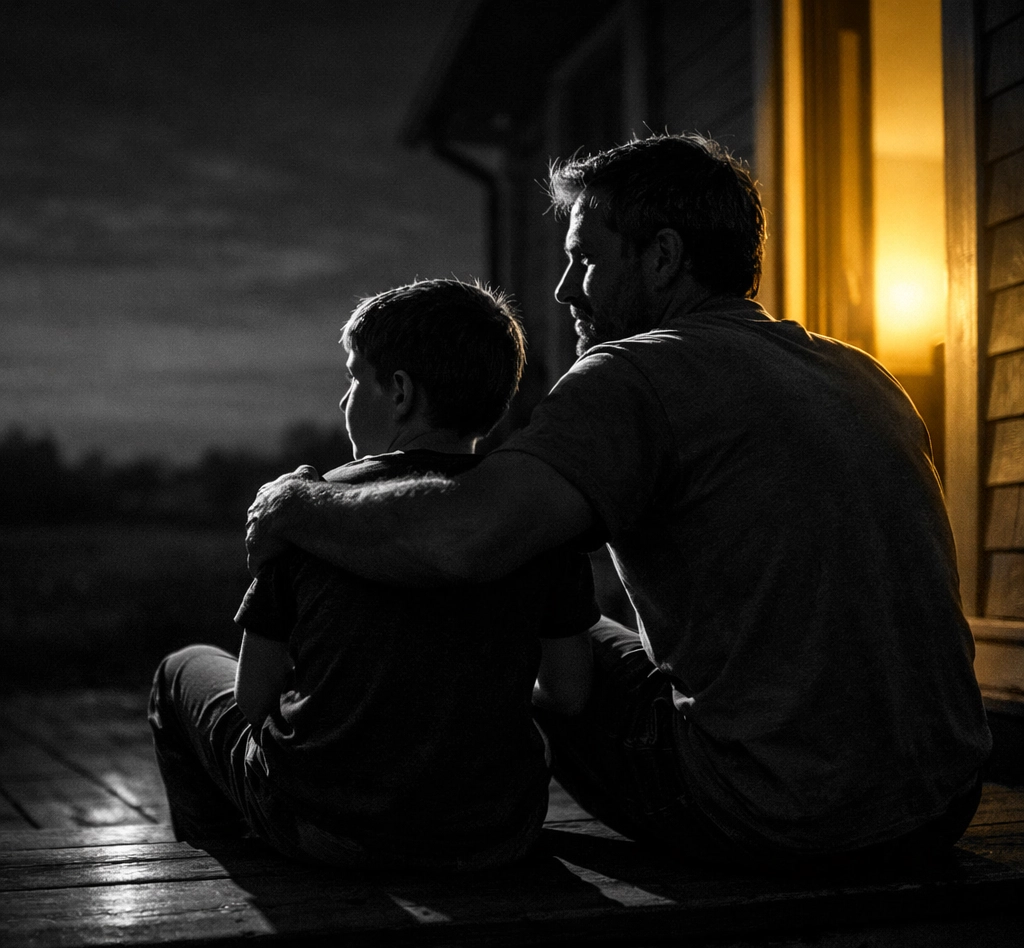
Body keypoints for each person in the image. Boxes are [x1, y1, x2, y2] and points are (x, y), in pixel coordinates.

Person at [245, 134, 992, 871]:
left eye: (587, 258)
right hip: (939, 801)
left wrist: (293, 501)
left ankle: (378, 810)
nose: (567, 288)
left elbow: (460, 540)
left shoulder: (633, 372)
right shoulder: (859, 371)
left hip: (779, 811)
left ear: (662, 257)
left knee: (519, 613)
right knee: (578, 630)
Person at [149, 279, 599, 871]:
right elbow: (569, 692)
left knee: (179, 671)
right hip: (493, 835)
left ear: (400, 394)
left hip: (326, 829)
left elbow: (251, 700)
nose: (343, 400)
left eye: (354, 376)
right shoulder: (531, 519)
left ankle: (227, 869)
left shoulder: (310, 511)